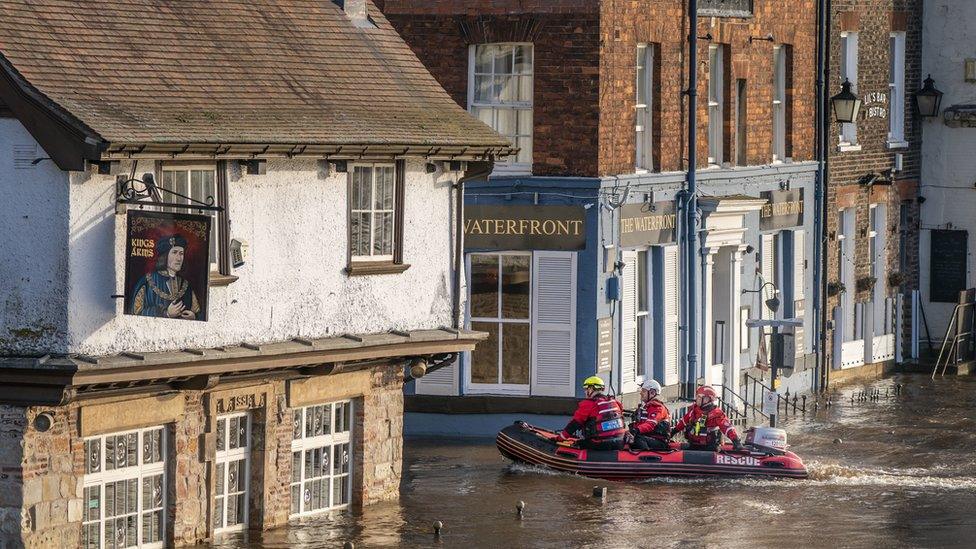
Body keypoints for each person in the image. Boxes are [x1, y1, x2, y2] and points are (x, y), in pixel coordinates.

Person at [129, 234, 202, 320]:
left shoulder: (186, 285)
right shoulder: (147, 282)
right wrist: (166, 313)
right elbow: (135, 312)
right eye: (174, 252)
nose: (179, 258)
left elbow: (197, 312)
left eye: (181, 253)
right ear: (165, 256)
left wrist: (194, 316)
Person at [557, 376, 626, 451]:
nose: (585, 391)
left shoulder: (588, 404)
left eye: (586, 389)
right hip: (619, 442)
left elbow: (574, 424)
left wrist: (560, 438)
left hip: (599, 444)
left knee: (579, 443)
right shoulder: (615, 402)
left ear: (591, 389)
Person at [671, 385, 743, 452]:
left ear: (707, 399)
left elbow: (727, 428)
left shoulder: (717, 414)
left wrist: (736, 441)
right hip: (694, 445)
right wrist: (671, 433)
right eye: (697, 396)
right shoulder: (694, 411)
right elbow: (682, 423)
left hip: (710, 447)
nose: (697, 399)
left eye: (699, 397)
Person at [626, 379, 672, 451]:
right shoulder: (647, 407)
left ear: (652, 393)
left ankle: (646, 457)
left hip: (659, 441)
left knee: (637, 438)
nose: (641, 393)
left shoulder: (658, 408)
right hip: (649, 438)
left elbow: (650, 424)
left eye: (643, 391)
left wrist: (636, 430)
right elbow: (640, 424)